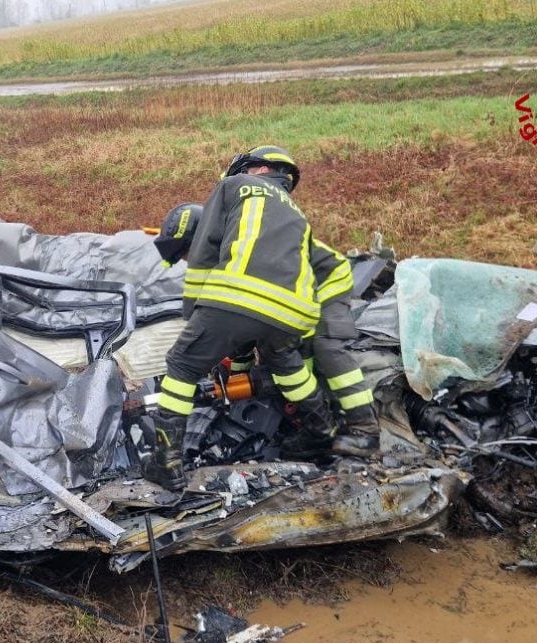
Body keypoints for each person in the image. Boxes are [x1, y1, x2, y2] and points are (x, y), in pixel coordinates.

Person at [146, 145, 337, 490]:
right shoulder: (296, 213)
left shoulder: (233, 187)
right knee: (286, 365)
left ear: (257, 169)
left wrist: (195, 311)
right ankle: (321, 434)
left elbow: (207, 246)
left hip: (242, 295)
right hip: (295, 310)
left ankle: (166, 463)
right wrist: (238, 373)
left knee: (182, 364)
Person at [153, 199, 381, 458]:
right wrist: (237, 375)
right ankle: (318, 424)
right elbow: (238, 324)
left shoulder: (242, 246)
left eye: (186, 252)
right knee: (278, 352)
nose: (188, 260)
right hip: (293, 293)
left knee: (321, 345)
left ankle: (363, 428)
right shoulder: (222, 255)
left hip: (326, 280)